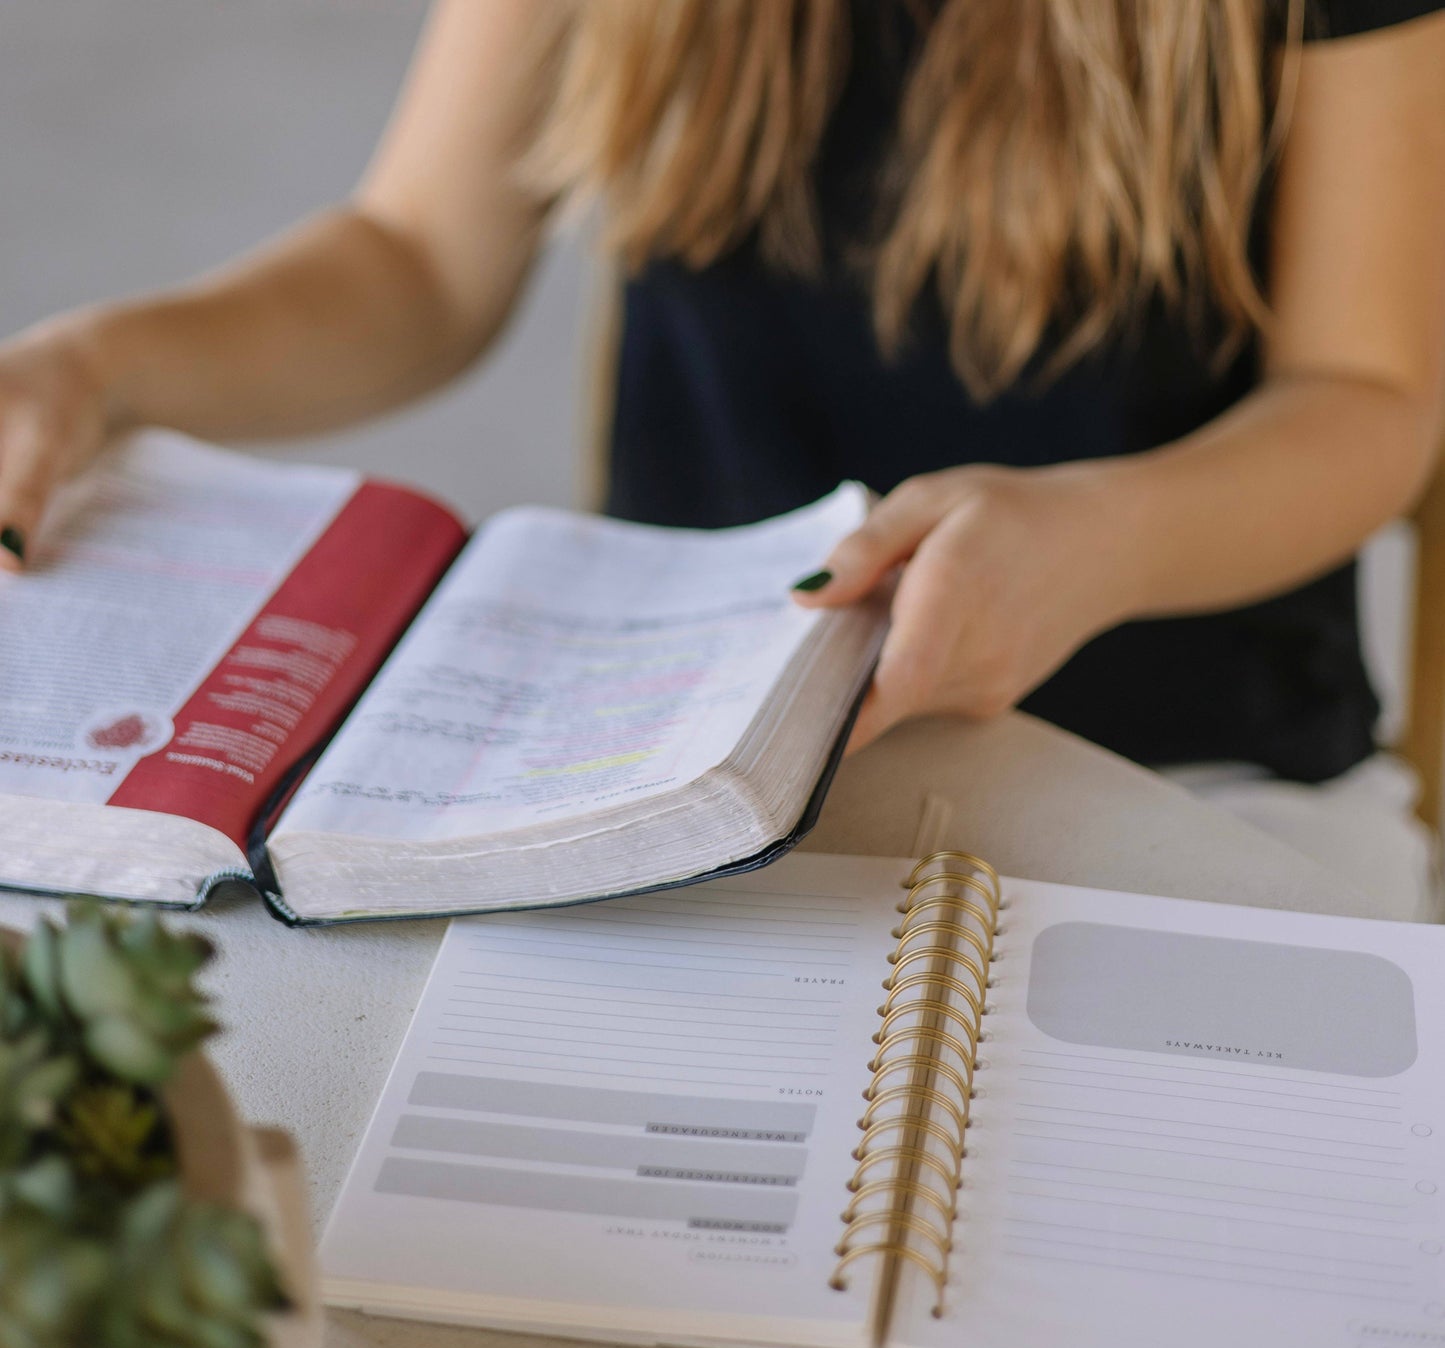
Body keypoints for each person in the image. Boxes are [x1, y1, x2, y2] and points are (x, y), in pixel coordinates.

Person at [0, 1, 1442, 913]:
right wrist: (93, 364)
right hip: (646, 781)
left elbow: (1368, 395)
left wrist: (1100, 535)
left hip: (1194, 767)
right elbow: (420, 258)